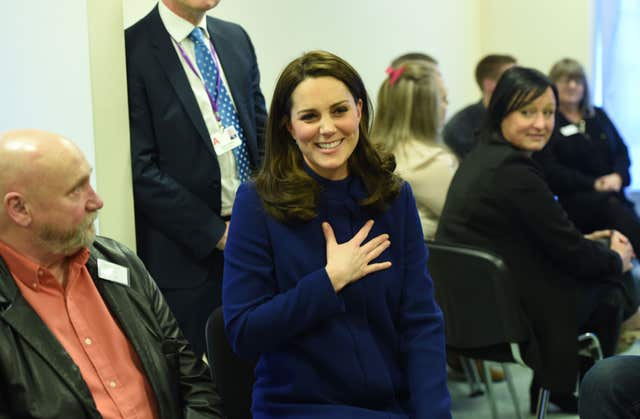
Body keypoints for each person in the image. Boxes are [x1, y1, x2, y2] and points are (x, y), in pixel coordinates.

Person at [222, 50, 451, 419]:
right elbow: (244, 332)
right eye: (310, 117)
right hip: (298, 407)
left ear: (359, 110)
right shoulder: (257, 203)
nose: (327, 128)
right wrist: (330, 281)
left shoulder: (393, 196)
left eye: (339, 110)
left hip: (390, 404)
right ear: (288, 127)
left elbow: (420, 321)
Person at [436, 67, 636, 414]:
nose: (541, 124)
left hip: (470, 309)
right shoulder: (514, 173)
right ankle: (587, 392)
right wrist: (616, 259)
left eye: (547, 112)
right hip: (506, 314)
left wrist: (585, 240)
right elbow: (569, 252)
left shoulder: (483, 158)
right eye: (527, 112)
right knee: (615, 286)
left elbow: (535, 235)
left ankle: (557, 385)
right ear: (501, 112)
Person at [0, 129, 223, 418]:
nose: (96, 201)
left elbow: (194, 384)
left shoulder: (121, 263)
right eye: (76, 190)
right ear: (19, 209)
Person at [125, 0, 267, 357]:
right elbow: (140, 168)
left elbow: (263, 133)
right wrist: (217, 234)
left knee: (261, 367)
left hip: (256, 239)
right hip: (187, 257)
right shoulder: (132, 49)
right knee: (200, 384)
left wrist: (265, 212)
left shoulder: (235, 39)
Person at [534, 58, 640, 255]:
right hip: (577, 202)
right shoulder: (548, 122)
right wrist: (594, 183)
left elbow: (622, 152)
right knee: (616, 211)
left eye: (578, 80)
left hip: (614, 195)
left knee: (621, 212)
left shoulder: (597, 115)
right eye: (565, 80)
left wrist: (618, 176)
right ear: (553, 86)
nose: (573, 86)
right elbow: (551, 170)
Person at [371, 61, 456, 240]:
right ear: (427, 109)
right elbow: (467, 219)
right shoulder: (432, 162)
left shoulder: (369, 153)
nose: (447, 105)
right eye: (443, 99)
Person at [443, 54, 516, 159]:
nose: (519, 84)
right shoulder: (461, 126)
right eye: (512, 80)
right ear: (489, 85)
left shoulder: (522, 119)